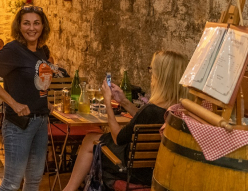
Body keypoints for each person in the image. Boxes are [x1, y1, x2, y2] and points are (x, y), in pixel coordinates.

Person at [62, 50, 189, 191]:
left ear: (161, 77)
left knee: (90, 140)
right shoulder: (178, 110)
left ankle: (69, 189)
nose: (151, 75)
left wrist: (108, 103)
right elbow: (144, 119)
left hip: (132, 171)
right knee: (93, 138)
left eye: (152, 70)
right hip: (157, 169)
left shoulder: (151, 110)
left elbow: (118, 138)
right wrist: (124, 101)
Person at [0, 6, 56, 191]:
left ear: (43, 27)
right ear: (19, 26)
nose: (31, 28)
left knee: (33, 182)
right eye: (26, 23)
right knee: (11, 184)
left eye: (36, 23)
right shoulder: (12, 49)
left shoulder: (42, 51)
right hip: (19, 124)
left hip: (40, 121)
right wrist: (14, 104)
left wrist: (44, 101)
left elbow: (34, 81)